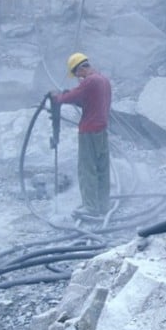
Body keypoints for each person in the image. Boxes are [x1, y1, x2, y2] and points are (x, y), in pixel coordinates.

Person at [52, 52, 112, 217]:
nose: (77, 77)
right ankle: (103, 205)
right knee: (102, 168)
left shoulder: (90, 81)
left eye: (77, 74)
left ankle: (91, 208)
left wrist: (57, 97)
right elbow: (87, 101)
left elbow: (72, 96)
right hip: (101, 130)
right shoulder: (103, 80)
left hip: (89, 131)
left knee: (87, 170)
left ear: (80, 68)